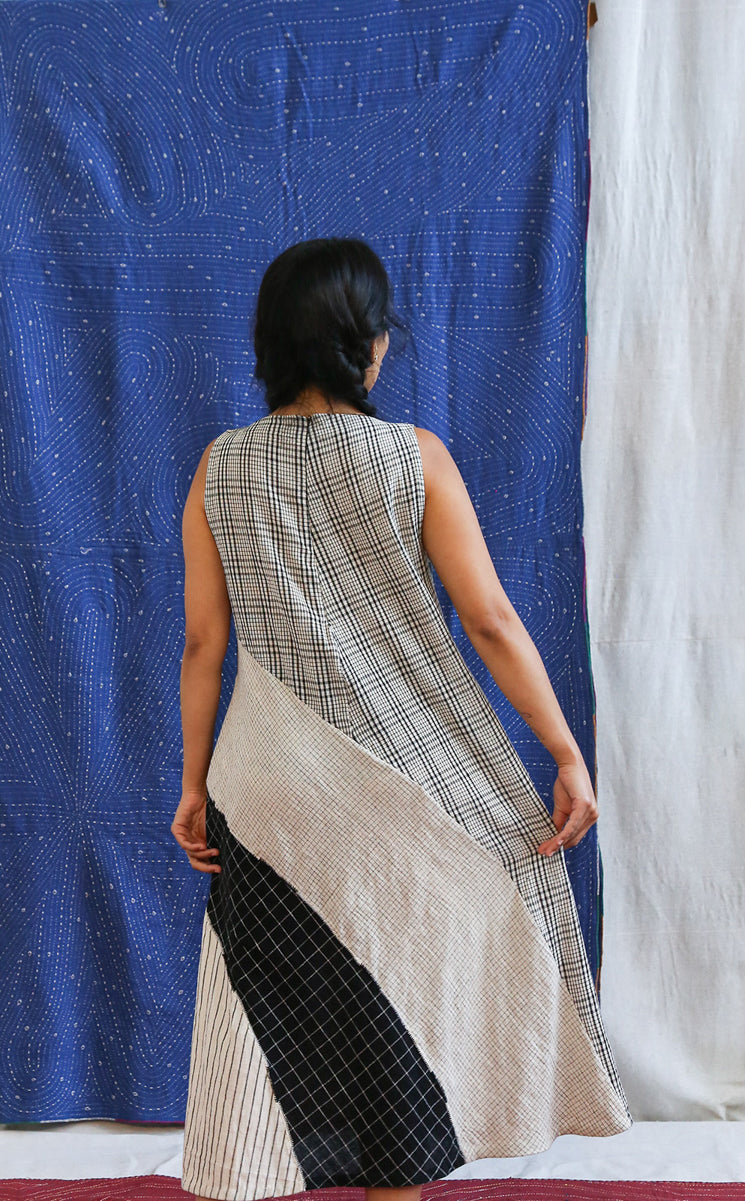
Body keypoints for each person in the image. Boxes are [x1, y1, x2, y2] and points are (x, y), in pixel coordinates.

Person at [172, 237, 632, 1201]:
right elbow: (489, 620)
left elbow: (203, 644)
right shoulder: (411, 457)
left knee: (262, 1015)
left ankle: (249, 1171)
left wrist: (191, 784)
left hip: (264, 782)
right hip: (399, 780)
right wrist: (563, 752)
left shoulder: (219, 465)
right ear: (366, 343)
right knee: (403, 1008)